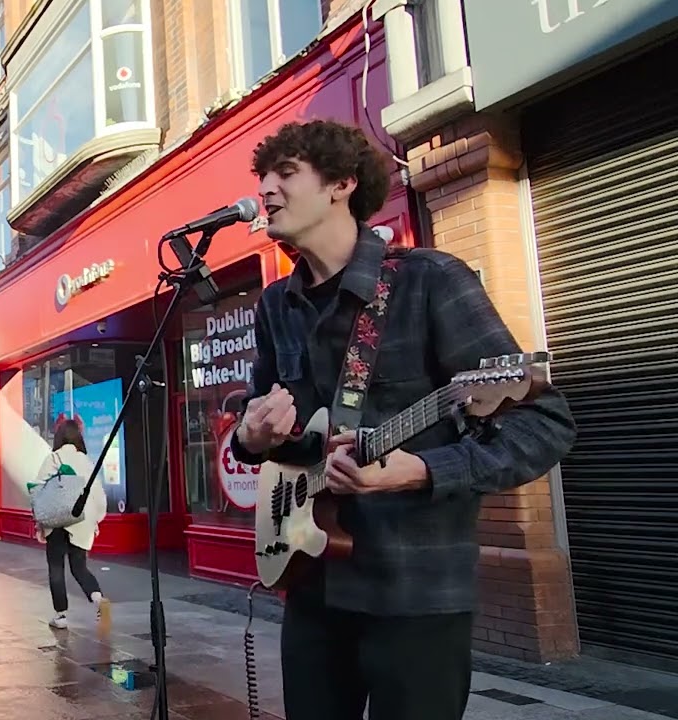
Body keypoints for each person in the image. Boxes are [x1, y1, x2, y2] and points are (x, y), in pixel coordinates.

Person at [227, 120, 576, 720]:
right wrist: (250, 436)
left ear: (341, 183)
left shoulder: (429, 280)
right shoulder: (275, 306)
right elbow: (264, 428)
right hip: (312, 582)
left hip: (416, 592)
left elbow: (546, 425)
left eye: (285, 173)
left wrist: (422, 470)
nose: (265, 190)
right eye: (263, 177)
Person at [34, 421, 109, 629]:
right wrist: (96, 519)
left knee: (56, 567)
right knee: (79, 567)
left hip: (57, 521)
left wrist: (39, 521)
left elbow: (37, 490)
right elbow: (97, 495)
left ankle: (61, 616)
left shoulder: (53, 459)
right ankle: (98, 599)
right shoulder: (85, 461)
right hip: (81, 519)